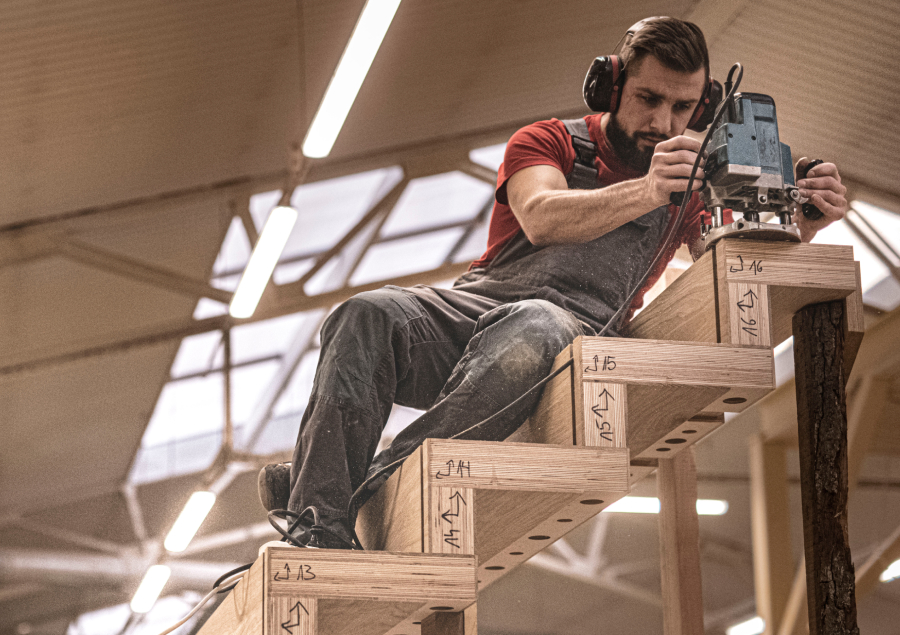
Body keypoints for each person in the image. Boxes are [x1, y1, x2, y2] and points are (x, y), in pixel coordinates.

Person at [258, 16, 847, 549]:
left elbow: (725, 263)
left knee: (536, 326)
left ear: (705, 105)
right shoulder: (550, 140)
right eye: (648, 99)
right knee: (366, 313)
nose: (664, 123)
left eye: (683, 107)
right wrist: (645, 190)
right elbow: (541, 216)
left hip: (566, 337)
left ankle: (373, 480)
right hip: (473, 309)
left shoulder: (695, 187)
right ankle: (318, 527)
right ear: (612, 87)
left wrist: (803, 223)